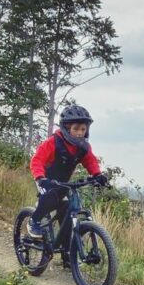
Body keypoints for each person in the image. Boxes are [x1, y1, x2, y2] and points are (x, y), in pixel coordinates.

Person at [28, 104, 108, 264]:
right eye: (76, 129)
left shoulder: (83, 147)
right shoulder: (53, 142)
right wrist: (40, 177)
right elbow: (37, 160)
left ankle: (67, 255)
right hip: (46, 180)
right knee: (49, 198)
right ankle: (34, 221)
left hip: (63, 183)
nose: (80, 133)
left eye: (83, 129)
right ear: (66, 128)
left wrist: (97, 175)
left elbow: (90, 161)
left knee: (67, 215)